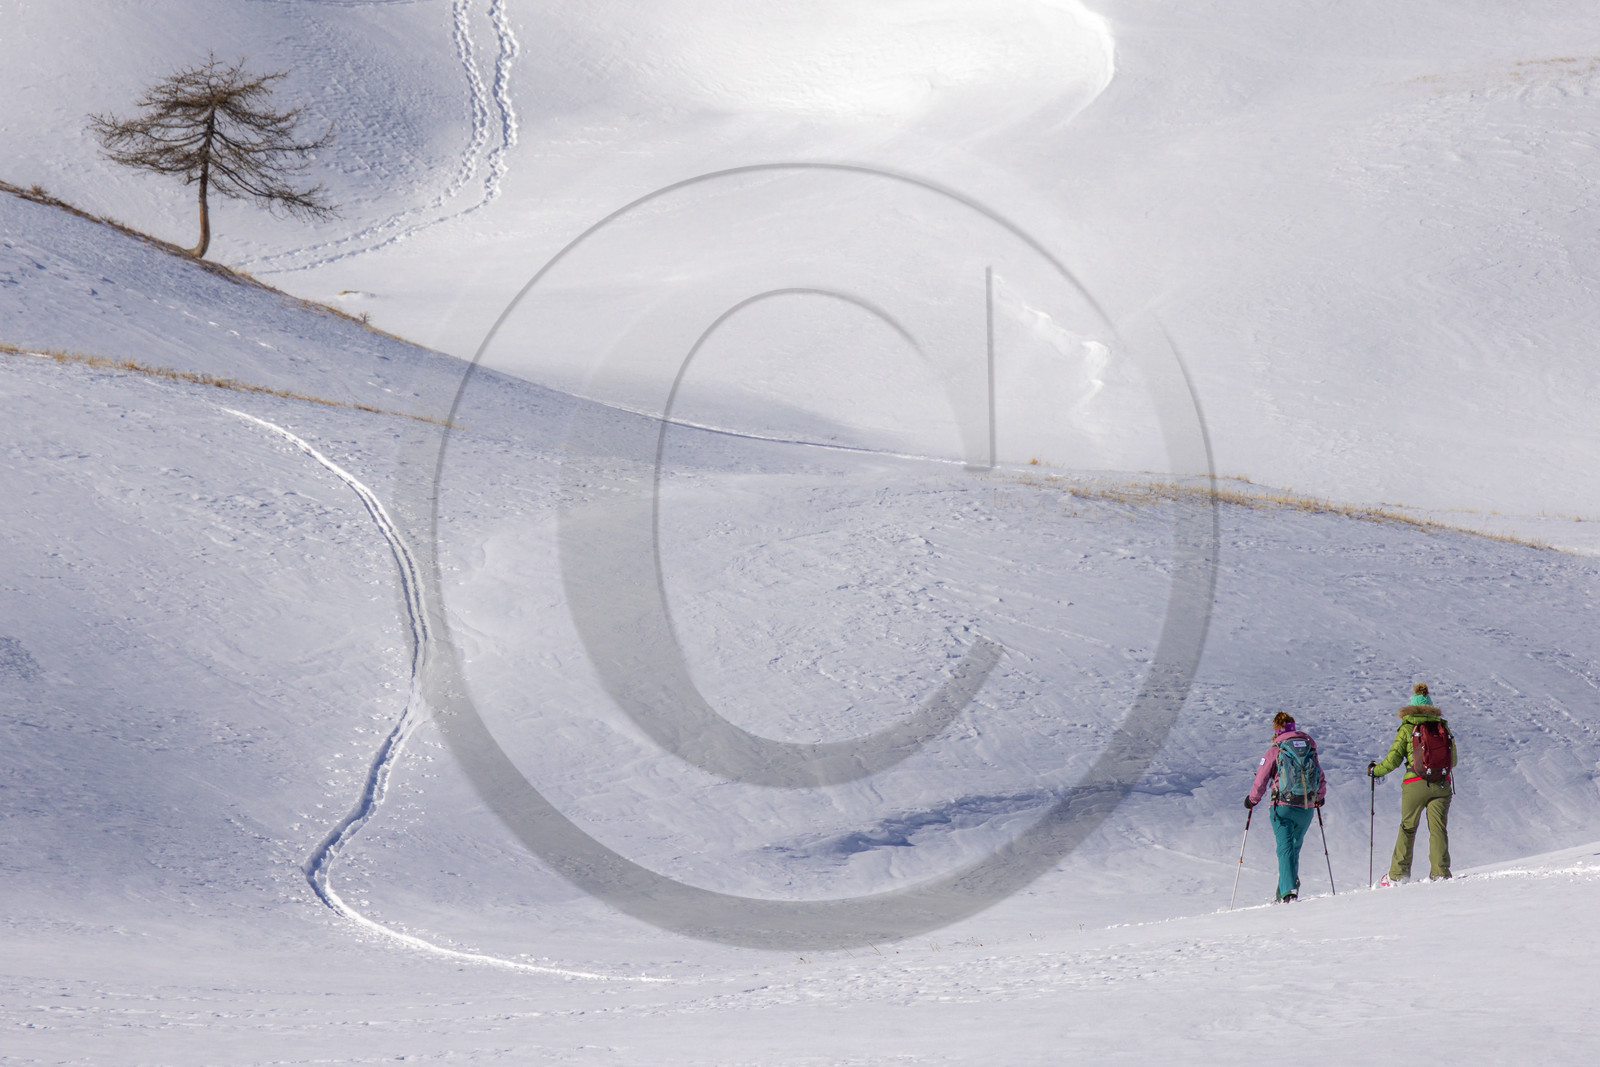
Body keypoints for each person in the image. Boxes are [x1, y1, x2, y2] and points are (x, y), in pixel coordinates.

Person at [1368, 682, 1458, 883]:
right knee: (1438, 829)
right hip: (1442, 784)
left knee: (1408, 827)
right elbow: (1454, 760)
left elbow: (1393, 759)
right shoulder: (1442, 727)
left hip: (1415, 783)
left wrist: (1375, 771)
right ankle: (1440, 873)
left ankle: (1398, 875)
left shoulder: (1408, 727)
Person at [1246, 711, 1327, 902]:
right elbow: (1319, 775)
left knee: (1285, 848)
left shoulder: (1276, 750)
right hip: (1306, 807)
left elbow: (1261, 779)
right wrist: (1319, 797)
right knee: (1293, 848)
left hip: (1282, 806)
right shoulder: (1308, 748)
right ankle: (1282, 893)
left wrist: (1252, 800)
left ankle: (1288, 892)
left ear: (1276, 730)